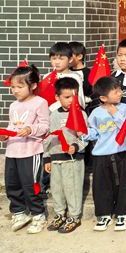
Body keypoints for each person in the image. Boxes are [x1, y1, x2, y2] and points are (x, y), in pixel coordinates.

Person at [0, 65, 49, 234]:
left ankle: (38, 215)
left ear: (33, 85)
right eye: (13, 87)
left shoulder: (40, 102)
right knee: (12, 183)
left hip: (31, 151)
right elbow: (11, 126)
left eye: (20, 86)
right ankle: (19, 213)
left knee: (31, 184)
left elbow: (45, 126)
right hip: (12, 150)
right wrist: (4, 135)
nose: (15, 90)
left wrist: (30, 129)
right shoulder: (13, 105)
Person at [82, 76, 126, 231]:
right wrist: (83, 134)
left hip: (121, 152)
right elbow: (94, 132)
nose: (120, 93)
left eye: (120, 90)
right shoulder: (96, 112)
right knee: (101, 185)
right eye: (115, 91)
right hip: (101, 154)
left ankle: (123, 213)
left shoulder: (124, 108)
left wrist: (115, 113)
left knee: (124, 184)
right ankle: (104, 214)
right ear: (103, 98)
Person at [43, 77, 87, 233]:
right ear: (57, 97)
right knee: (57, 189)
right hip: (56, 159)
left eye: (73, 97)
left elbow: (85, 137)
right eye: (66, 97)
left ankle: (74, 216)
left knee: (72, 189)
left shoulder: (80, 114)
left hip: (72, 160)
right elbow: (48, 138)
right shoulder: (54, 115)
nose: (70, 100)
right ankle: (60, 214)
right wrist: (47, 158)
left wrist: (76, 146)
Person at [49, 42, 87, 107]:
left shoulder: (75, 77)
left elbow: (80, 99)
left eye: (61, 59)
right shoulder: (47, 77)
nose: (57, 62)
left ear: (70, 59)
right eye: (54, 58)